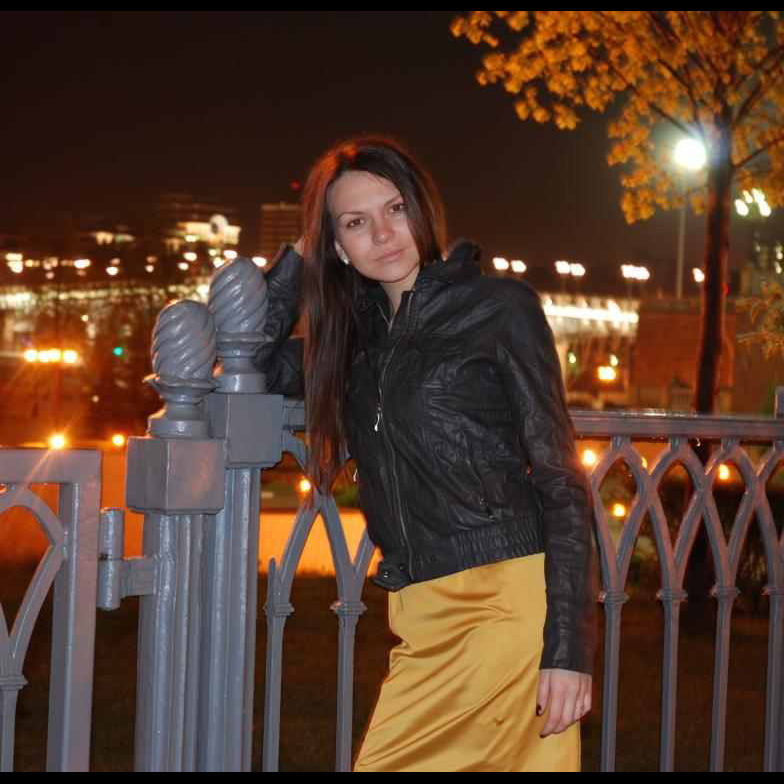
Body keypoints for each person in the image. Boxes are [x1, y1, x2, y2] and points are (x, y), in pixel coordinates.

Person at [255, 136, 597, 772]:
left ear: (421, 211)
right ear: (337, 246)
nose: (383, 234)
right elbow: (244, 358)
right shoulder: (348, 345)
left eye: (394, 209)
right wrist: (299, 260)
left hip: (507, 601)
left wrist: (567, 649)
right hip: (418, 611)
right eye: (355, 223)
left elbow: (559, 476)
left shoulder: (498, 308)